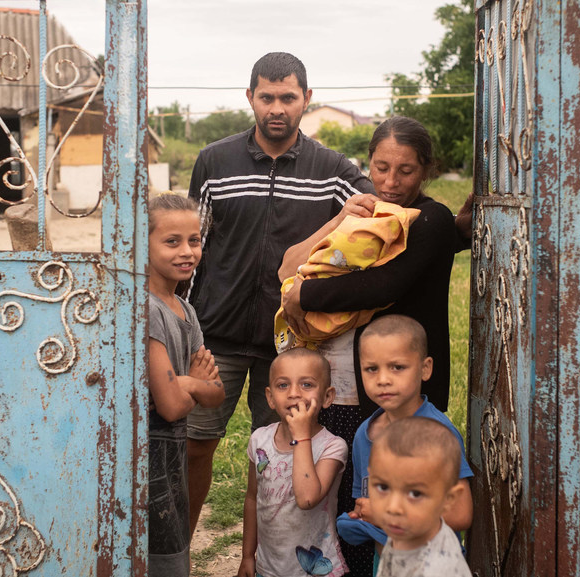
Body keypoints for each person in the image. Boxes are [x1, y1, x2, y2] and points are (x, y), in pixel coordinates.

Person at [184, 51, 376, 533]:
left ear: (306, 100)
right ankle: (177, 551)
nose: (277, 107)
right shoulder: (214, 162)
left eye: (288, 97)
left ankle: (265, 558)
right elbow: (192, 249)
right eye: (266, 97)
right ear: (249, 97)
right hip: (216, 338)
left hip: (290, 347)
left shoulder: (333, 169)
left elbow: (381, 206)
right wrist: (183, 325)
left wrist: (448, 225)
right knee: (195, 445)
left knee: (277, 455)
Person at [280, 117, 458, 574]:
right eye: (381, 168)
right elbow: (300, 264)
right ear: (368, 164)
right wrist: (341, 219)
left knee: (396, 501)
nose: (391, 182)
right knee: (359, 502)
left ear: (426, 170)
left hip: (409, 383)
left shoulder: (429, 218)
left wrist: (306, 295)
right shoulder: (373, 215)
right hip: (369, 383)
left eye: (406, 171)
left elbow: (385, 284)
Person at [337, 315, 473, 571]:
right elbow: (366, 502)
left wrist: (386, 515)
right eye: (371, 369)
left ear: (425, 368)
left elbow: (461, 514)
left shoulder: (436, 431)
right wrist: (363, 515)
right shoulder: (364, 435)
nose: (383, 379)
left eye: (397, 367)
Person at [146, 193, 225, 575]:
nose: (187, 251)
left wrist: (187, 383)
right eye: (172, 241)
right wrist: (193, 384)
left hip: (173, 458)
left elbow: (216, 395)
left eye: (194, 240)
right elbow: (171, 406)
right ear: (141, 243)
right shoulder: (147, 310)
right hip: (148, 463)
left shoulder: (184, 308)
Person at [239, 348, 348, 577]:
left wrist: (301, 437)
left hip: (317, 571)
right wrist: (248, 555)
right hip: (268, 568)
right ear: (269, 397)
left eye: (307, 385)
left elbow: (307, 499)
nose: (294, 393)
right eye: (282, 385)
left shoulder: (333, 447)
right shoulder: (260, 440)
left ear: (327, 397)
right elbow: (252, 498)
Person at [369, 417, 472, 577]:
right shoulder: (409, 530)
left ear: (449, 499)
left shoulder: (438, 568)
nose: (393, 507)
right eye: (383, 487)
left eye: (415, 494)